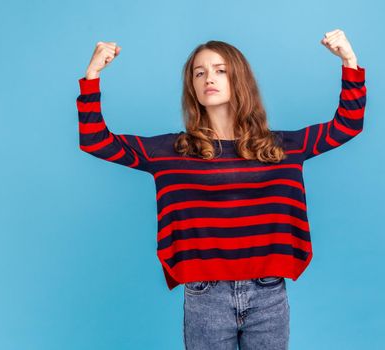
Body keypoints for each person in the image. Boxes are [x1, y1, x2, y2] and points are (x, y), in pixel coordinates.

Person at [76, 29, 366, 350]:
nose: (208, 78)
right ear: (193, 87)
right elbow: (95, 140)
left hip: (268, 291)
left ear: (238, 78)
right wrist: (92, 75)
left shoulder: (281, 147)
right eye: (199, 73)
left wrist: (349, 61)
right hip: (205, 296)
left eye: (219, 70)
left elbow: (347, 124)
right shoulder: (171, 151)